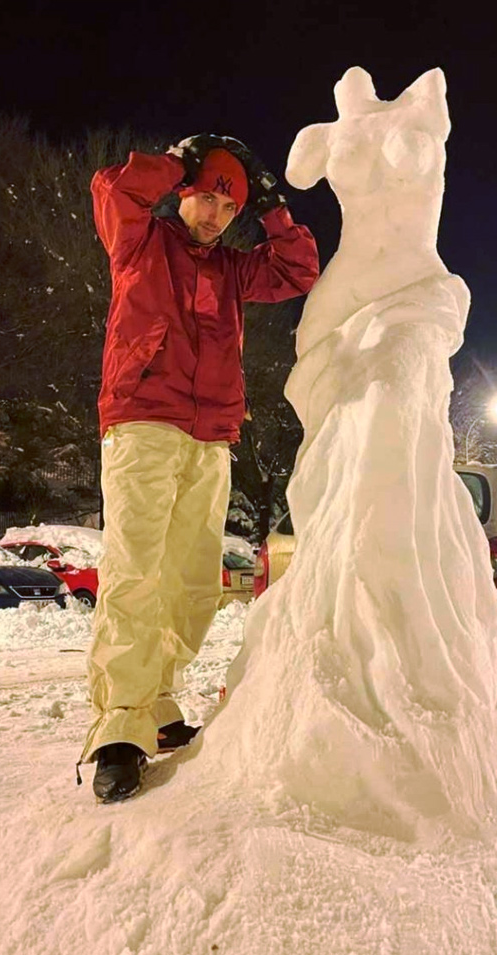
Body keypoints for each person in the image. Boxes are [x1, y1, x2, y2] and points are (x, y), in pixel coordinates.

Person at [78, 134, 319, 803]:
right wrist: (176, 162)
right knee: (134, 571)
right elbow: (111, 187)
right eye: (208, 194)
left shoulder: (234, 271)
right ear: (185, 189)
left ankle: (154, 705)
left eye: (229, 203)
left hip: (211, 437)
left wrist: (272, 209)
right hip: (142, 421)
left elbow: (299, 268)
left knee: (189, 583)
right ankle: (117, 733)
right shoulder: (139, 241)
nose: (216, 212)